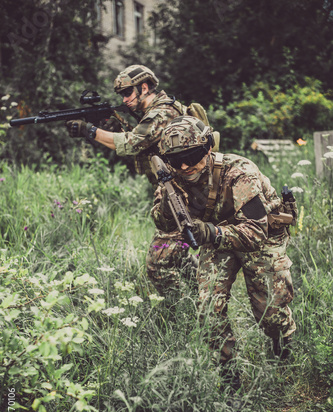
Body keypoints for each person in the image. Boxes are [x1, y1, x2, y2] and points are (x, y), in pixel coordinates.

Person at [151, 115, 297, 363]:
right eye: (176, 160)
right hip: (218, 236)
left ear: (208, 148)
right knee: (208, 310)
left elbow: (255, 234)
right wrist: (167, 203)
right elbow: (161, 222)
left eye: (191, 157)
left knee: (271, 314)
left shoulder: (239, 172)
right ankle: (228, 373)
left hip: (260, 236)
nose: (184, 166)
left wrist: (211, 233)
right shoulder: (173, 178)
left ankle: (283, 351)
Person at [65, 64, 200, 295]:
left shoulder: (163, 112)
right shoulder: (155, 111)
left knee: (157, 264)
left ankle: (186, 313)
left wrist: (90, 130)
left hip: (181, 195)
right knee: (179, 257)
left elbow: (132, 143)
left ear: (144, 87)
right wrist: (112, 123)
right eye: (121, 95)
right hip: (174, 191)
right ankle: (205, 297)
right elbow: (143, 141)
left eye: (128, 93)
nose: (125, 99)